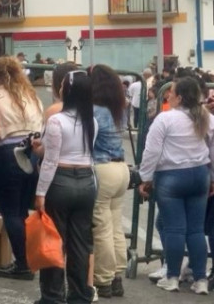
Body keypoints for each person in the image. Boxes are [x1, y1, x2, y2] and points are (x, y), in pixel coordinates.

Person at [138, 77, 214, 295]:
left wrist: (146, 178)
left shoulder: (165, 119)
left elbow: (151, 151)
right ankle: (200, 279)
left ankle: (172, 276)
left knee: (174, 228)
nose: (167, 95)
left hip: (171, 176)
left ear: (179, 97)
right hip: (200, 174)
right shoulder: (206, 118)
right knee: (196, 230)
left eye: (170, 92)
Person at [34, 70, 97, 304]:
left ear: (67, 91)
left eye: (62, 85)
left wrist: (40, 192)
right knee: (80, 244)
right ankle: (80, 295)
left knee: (53, 241)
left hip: (60, 181)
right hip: (86, 181)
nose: (59, 88)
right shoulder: (93, 121)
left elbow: (50, 160)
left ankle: (52, 296)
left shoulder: (57, 120)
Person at [0, 56, 43, 281]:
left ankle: (22, 264)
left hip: (8, 153)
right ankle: (28, 260)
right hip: (32, 151)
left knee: (10, 211)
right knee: (22, 211)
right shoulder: (31, 95)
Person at [89, 65, 129, 299]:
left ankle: (102, 279)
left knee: (101, 226)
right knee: (115, 225)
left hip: (102, 168)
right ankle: (116, 276)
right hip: (121, 168)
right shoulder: (117, 109)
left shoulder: (92, 110)